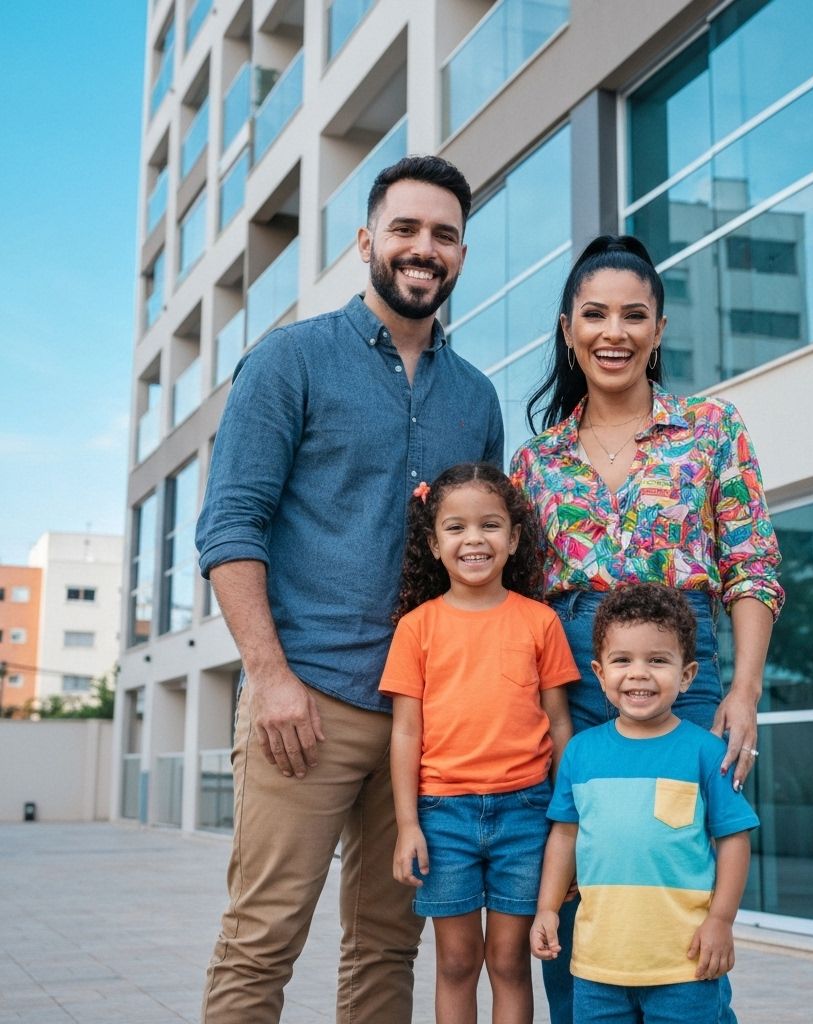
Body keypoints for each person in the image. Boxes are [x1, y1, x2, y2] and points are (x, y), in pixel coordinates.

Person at [195, 156, 504, 1024]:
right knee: (262, 941)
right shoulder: (289, 360)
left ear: (460, 256)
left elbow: (479, 559)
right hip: (310, 704)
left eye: (443, 234)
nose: (423, 248)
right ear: (367, 241)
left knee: (386, 947)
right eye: (404, 229)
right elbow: (229, 529)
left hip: (425, 717)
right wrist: (272, 679)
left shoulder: (476, 399)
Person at [509, 234, 783, 1020]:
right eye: (594, 315)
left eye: (634, 315)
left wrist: (745, 689)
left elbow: (752, 565)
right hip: (568, 682)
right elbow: (514, 597)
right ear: (568, 330)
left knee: (678, 873)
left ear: (660, 329)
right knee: (576, 878)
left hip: (683, 679)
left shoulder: (712, 429)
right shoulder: (536, 462)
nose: (614, 332)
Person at [380, 463, 576, 1024]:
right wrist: (408, 823)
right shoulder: (415, 627)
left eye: (490, 525)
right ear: (433, 542)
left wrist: (565, 814)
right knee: (457, 963)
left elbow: (559, 724)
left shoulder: (540, 623)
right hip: (443, 818)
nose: (474, 540)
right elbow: (405, 732)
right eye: (456, 527)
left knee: (510, 962)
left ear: (514, 539)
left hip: (526, 814)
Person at [530, 583, 758, 1023]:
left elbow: (733, 840)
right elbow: (564, 834)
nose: (638, 674)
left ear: (687, 675)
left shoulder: (705, 753)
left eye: (657, 660)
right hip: (598, 967)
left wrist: (722, 920)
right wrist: (547, 907)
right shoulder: (580, 752)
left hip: (683, 964)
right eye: (622, 661)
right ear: (598, 672)